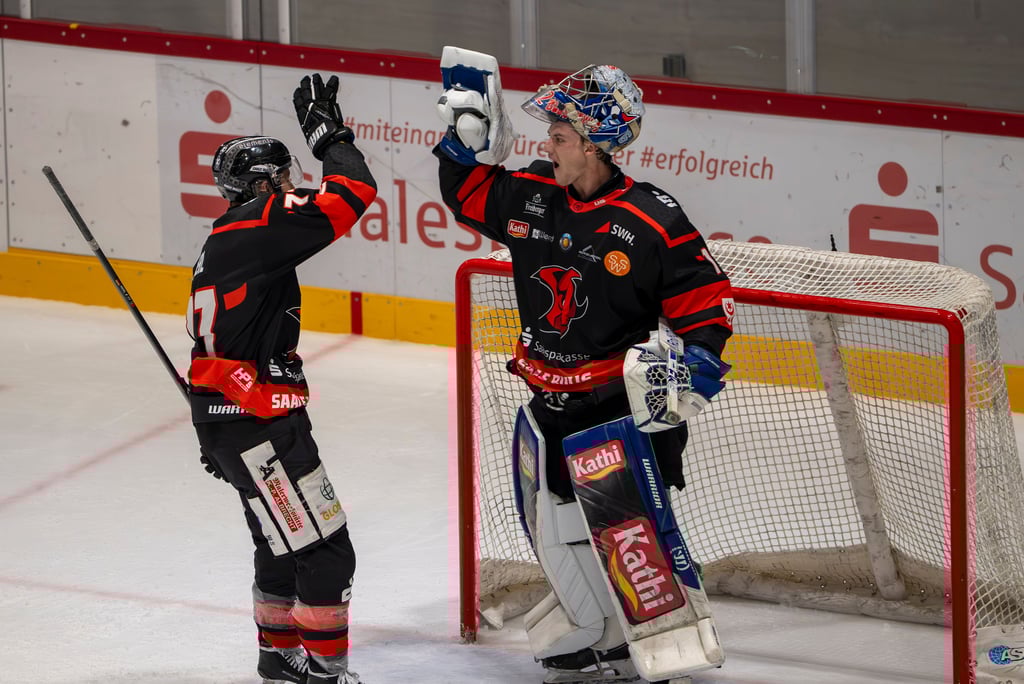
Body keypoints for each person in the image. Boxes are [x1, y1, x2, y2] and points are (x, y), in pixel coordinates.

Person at [435, 63, 733, 682]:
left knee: (625, 537)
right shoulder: (532, 195)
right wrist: (462, 143)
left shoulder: (654, 218)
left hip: (614, 412)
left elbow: (706, 303)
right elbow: (466, 193)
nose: (546, 144)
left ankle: (639, 641)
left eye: (560, 136)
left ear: (595, 143)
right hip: (546, 407)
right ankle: (587, 631)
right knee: (554, 529)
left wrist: (696, 366)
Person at [186, 73, 376, 684]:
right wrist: (330, 137)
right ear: (264, 185)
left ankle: (278, 653)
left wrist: (211, 431)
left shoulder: (226, 238)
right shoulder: (260, 222)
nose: (294, 187)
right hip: (259, 424)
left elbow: (208, 349)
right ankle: (325, 672)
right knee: (325, 549)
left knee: (278, 537)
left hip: (232, 419)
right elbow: (352, 194)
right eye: (286, 178)